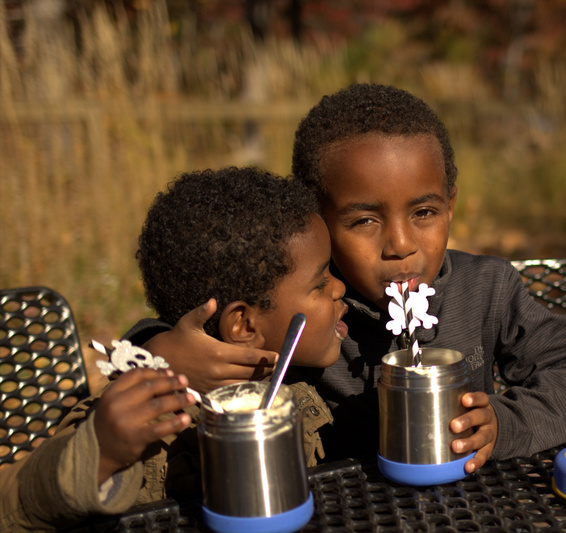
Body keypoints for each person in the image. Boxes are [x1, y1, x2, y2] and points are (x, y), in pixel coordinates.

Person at [125, 84, 566, 473]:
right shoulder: (305, 306)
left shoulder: (487, 290)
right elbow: (194, 328)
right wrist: (162, 351)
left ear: (451, 204)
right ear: (314, 219)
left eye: (424, 212)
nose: (401, 244)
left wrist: (503, 426)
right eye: (365, 221)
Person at [0, 167, 348, 531]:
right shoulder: (152, 420)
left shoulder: (292, 377)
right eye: (320, 282)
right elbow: (28, 501)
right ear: (244, 326)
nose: (340, 288)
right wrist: (101, 450)